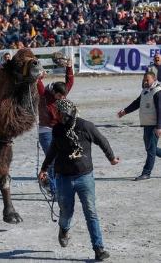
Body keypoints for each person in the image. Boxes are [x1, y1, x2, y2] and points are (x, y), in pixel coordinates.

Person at [38, 99, 120, 261]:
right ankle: (64, 229)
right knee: (66, 212)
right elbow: (53, 150)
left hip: (85, 177)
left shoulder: (85, 126)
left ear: (70, 113)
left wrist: (111, 158)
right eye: (59, 114)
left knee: (91, 213)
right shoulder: (58, 130)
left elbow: (102, 140)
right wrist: (44, 168)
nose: (60, 118)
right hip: (63, 178)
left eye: (63, 115)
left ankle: (98, 248)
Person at [37, 57, 74, 195]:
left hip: (59, 130)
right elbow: (37, 82)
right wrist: (39, 74)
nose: (62, 99)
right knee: (51, 159)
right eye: (60, 97)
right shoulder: (43, 94)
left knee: (60, 159)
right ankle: (54, 190)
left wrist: (69, 67)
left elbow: (69, 82)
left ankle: (53, 184)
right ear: (54, 93)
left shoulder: (62, 92)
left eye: (64, 96)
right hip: (45, 131)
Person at [117, 71, 161, 181]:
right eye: (144, 80)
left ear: (154, 80)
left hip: (154, 125)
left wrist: (159, 127)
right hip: (147, 124)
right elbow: (137, 103)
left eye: (148, 80)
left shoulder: (157, 92)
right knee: (150, 148)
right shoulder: (145, 91)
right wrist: (125, 111)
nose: (145, 82)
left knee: (150, 150)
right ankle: (147, 172)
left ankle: (146, 173)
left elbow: (160, 110)